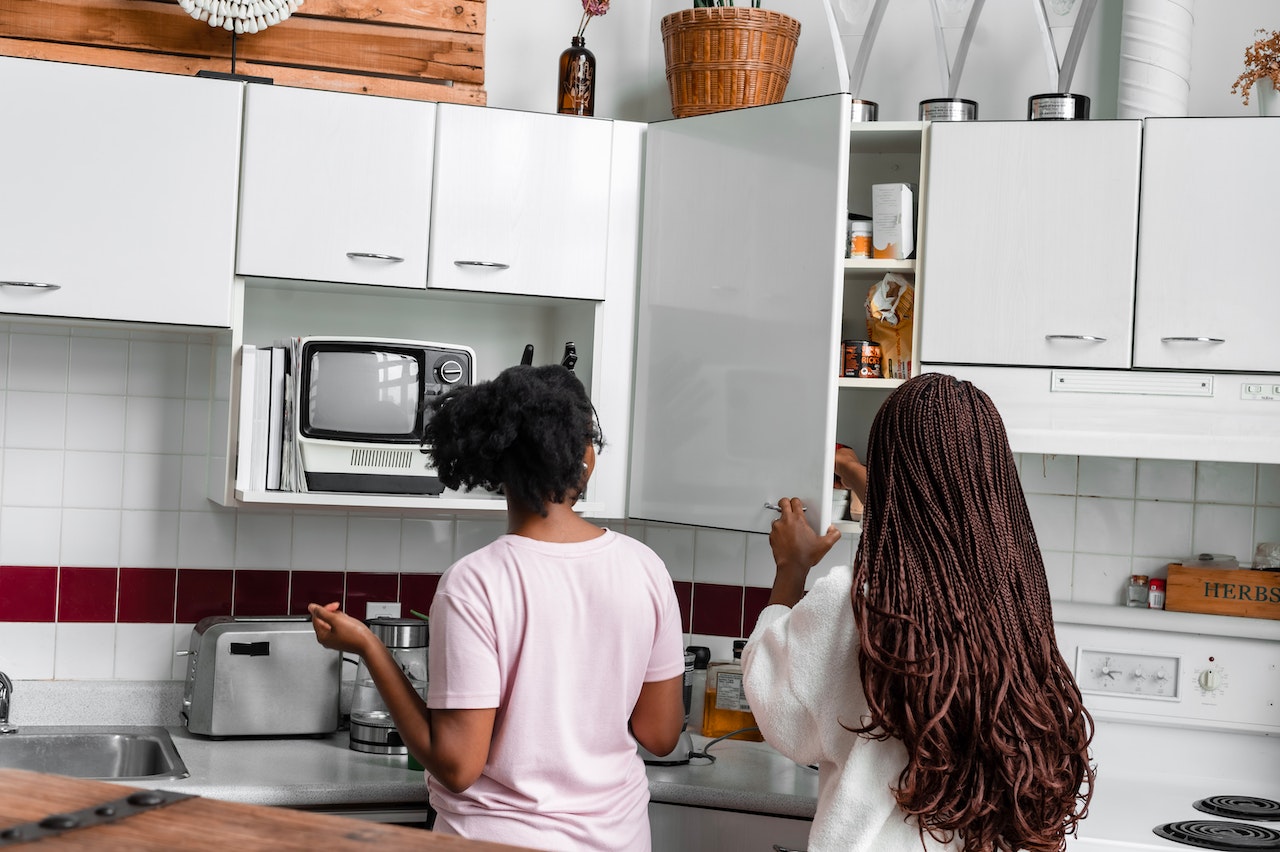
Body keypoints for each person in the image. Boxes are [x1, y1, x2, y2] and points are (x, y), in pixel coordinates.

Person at [309, 364, 685, 851]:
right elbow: (660, 735)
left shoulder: (475, 583)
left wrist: (367, 645)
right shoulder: (646, 568)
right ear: (586, 459)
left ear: (493, 465)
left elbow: (458, 767)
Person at [742, 372, 1094, 852]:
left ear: (888, 468)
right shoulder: (1014, 594)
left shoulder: (854, 600)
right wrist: (862, 477)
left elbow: (780, 715)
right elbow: (934, 526)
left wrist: (790, 570)